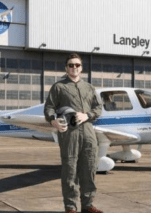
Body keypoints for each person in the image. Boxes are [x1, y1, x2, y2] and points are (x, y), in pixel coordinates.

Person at [44, 53, 103, 213]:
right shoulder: (59, 87)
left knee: (89, 168)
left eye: (77, 65)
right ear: (66, 68)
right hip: (69, 133)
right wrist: (53, 120)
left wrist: (87, 115)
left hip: (88, 132)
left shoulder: (90, 88)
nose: (74, 67)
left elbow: (98, 108)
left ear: (81, 68)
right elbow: (49, 107)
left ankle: (88, 205)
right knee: (70, 170)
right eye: (71, 65)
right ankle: (70, 207)